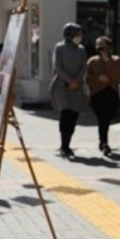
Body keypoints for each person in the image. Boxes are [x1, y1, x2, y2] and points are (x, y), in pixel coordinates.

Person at [49, 22, 88, 158]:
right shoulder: (59, 47)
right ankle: (64, 145)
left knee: (73, 116)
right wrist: (69, 81)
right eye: (77, 34)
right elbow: (57, 67)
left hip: (76, 88)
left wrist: (76, 81)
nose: (80, 36)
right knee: (65, 114)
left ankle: (68, 143)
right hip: (61, 86)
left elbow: (84, 67)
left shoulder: (81, 49)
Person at [86, 36, 120, 156]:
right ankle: (104, 142)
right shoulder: (92, 61)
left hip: (111, 92)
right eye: (97, 44)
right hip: (98, 94)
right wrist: (98, 78)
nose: (99, 47)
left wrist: (107, 60)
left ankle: (103, 141)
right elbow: (87, 78)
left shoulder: (116, 60)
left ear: (108, 46)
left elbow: (116, 75)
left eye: (102, 44)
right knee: (103, 118)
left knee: (108, 118)